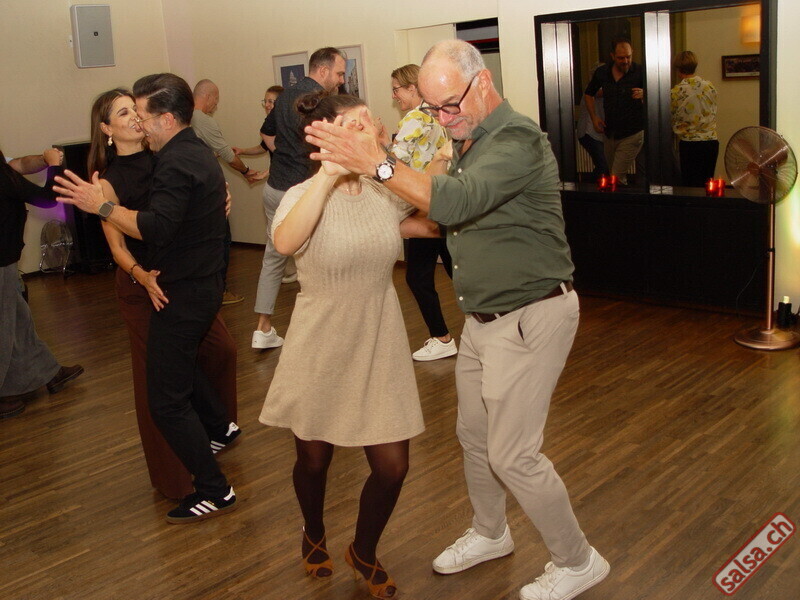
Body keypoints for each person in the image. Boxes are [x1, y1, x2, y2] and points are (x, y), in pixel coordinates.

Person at [304, 39, 610, 600]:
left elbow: (458, 202)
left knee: (513, 454)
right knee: (473, 435)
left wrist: (377, 162)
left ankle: (578, 560)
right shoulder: (470, 138)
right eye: (434, 108)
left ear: (482, 81)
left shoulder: (517, 139)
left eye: (450, 105)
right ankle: (491, 532)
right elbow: (446, 217)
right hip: (484, 319)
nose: (444, 118)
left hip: (532, 313)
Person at [260, 91, 436, 599]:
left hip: (380, 340)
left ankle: (363, 548)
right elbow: (285, 242)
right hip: (321, 343)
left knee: (393, 467)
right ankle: (313, 531)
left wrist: (439, 162)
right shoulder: (302, 194)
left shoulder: (385, 192)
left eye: (370, 120)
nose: (373, 127)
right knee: (315, 460)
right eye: (356, 123)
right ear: (327, 137)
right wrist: (328, 175)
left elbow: (429, 211)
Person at [54, 73, 237, 524]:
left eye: (141, 113)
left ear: (167, 119)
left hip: (181, 288)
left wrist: (100, 206)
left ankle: (215, 489)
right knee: (172, 374)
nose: (138, 120)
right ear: (106, 129)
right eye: (127, 113)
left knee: (167, 399)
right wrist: (140, 272)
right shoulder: (184, 151)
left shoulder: (173, 160)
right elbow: (130, 241)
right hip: (165, 285)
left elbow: (158, 226)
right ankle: (212, 436)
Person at [251, 46, 346, 350]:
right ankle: (323, 330)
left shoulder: (283, 98)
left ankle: (263, 327)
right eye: (339, 73)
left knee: (273, 258)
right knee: (319, 261)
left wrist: (284, 155)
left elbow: (266, 133)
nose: (341, 80)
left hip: (275, 188)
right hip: (303, 194)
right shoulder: (322, 103)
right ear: (322, 71)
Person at [1, 148, 83, 419]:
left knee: (19, 323)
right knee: (3, 329)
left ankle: (48, 372)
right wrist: (54, 166)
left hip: (5, 260)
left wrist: (45, 159)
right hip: (1, 261)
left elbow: (18, 164)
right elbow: (47, 199)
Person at [389, 63, 457, 362]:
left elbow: (394, 164)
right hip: (442, 200)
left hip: (423, 203)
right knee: (456, 270)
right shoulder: (437, 116)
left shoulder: (415, 118)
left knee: (418, 278)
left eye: (397, 89)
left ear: (412, 88)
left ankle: (442, 338)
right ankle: (492, 324)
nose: (394, 96)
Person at [192, 78, 263, 305]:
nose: (216, 104)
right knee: (221, 238)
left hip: (191, 191)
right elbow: (227, 155)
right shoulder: (203, 120)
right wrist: (247, 171)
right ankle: (219, 292)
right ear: (209, 96)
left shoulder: (183, 118)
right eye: (216, 99)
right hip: (207, 191)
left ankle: (203, 290)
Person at [232, 84, 298, 285]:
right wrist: (242, 151)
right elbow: (264, 148)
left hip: (289, 184)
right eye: (265, 101)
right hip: (278, 182)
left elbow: (286, 156)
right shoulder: (271, 125)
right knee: (278, 228)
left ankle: (292, 269)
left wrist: (266, 173)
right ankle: (287, 268)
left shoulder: (286, 124)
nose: (268, 105)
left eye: (271, 101)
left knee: (287, 227)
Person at [584, 37, 644, 186]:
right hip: (610, 133)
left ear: (632, 53)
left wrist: (645, 93)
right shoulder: (602, 72)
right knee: (613, 176)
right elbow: (588, 94)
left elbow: (658, 94)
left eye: (628, 57)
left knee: (616, 177)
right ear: (612, 56)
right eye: (621, 58)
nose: (625, 61)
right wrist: (594, 117)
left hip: (632, 132)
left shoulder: (640, 71)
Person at [671, 51, 719, 187]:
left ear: (678, 70)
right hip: (711, 141)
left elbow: (671, 114)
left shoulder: (677, 91)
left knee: (690, 184)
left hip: (689, 143)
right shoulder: (709, 86)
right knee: (707, 183)